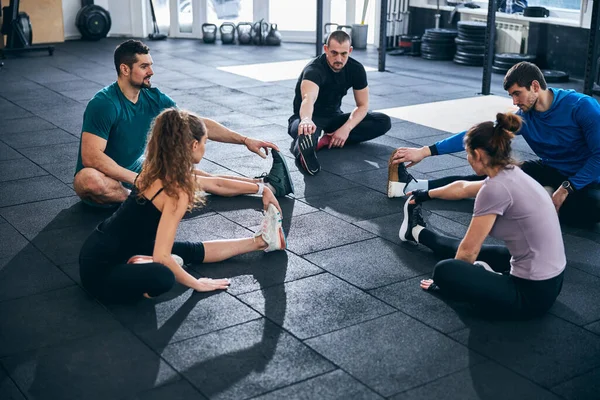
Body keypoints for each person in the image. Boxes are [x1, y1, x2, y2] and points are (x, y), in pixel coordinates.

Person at [79, 108, 286, 303]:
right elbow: (162, 255)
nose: (205, 147)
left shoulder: (159, 170)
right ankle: (139, 264)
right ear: (194, 145)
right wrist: (198, 283)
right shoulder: (176, 193)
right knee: (165, 275)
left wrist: (263, 190)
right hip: (100, 271)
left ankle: (261, 241)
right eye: (205, 141)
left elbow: (217, 183)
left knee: (186, 251)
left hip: (101, 246)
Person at [74, 39, 293, 207]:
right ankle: (142, 199)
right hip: (105, 177)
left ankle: (262, 185)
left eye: (150, 65)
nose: (151, 72)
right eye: (144, 66)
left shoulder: (153, 98)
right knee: (88, 180)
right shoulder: (104, 103)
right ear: (125, 69)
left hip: (136, 169)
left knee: (198, 178)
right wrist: (137, 179)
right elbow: (91, 156)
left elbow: (194, 123)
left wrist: (245, 140)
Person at [389, 62, 600, 226]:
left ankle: (542, 195)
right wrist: (425, 151)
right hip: (551, 169)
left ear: (535, 86)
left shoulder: (581, 107)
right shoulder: (524, 117)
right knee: (491, 176)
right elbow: (479, 134)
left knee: (592, 208)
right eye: (511, 96)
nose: (514, 102)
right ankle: (418, 187)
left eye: (517, 93)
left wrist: (567, 188)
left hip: (587, 178)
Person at [399, 112, 565, 319]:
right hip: (553, 281)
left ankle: (481, 275)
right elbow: (463, 188)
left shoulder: (494, 189)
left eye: (468, 153)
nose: (467, 158)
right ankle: (414, 232)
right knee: (457, 249)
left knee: (445, 270)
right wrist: (424, 195)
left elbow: (468, 251)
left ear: (477, 154)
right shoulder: (512, 172)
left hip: (530, 295)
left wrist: (446, 283)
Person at [288, 30, 391, 175]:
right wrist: (306, 120)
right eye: (334, 53)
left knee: (383, 121)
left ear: (350, 50)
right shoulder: (314, 70)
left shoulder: (356, 69)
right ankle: (305, 148)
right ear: (325, 49)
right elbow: (308, 98)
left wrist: (346, 129)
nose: (339, 59)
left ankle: (326, 139)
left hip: (334, 118)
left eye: (344, 54)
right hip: (308, 118)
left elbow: (363, 105)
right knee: (305, 133)